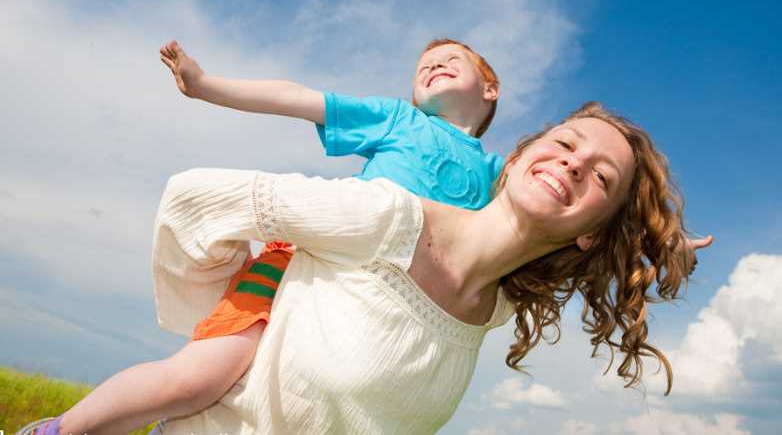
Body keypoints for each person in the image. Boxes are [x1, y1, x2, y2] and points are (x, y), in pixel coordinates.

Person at [25, 101, 712, 434]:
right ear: (520, 156)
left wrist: (660, 244)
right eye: (565, 143)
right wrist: (231, 309)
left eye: (600, 177)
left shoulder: (498, 306)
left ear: (593, 235)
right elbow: (196, 198)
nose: (572, 163)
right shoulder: (387, 218)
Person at [20, 37, 505, 435]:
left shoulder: (500, 176)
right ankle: (57, 431)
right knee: (197, 379)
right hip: (295, 268)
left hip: (368, 314)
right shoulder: (402, 120)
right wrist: (207, 86)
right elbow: (297, 98)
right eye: (424, 64)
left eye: (452, 59)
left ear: (490, 87)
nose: (434, 64)